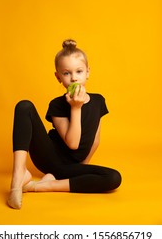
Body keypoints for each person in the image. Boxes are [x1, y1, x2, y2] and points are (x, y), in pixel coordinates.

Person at [7, 39, 122, 209]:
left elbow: (95, 140)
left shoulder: (98, 101)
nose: (74, 77)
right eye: (66, 73)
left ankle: (44, 186)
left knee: (114, 178)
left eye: (79, 71)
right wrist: (76, 108)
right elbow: (73, 143)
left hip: (72, 166)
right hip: (50, 157)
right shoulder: (57, 105)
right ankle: (19, 176)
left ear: (88, 72)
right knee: (24, 106)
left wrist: (80, 170)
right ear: (58, 77)